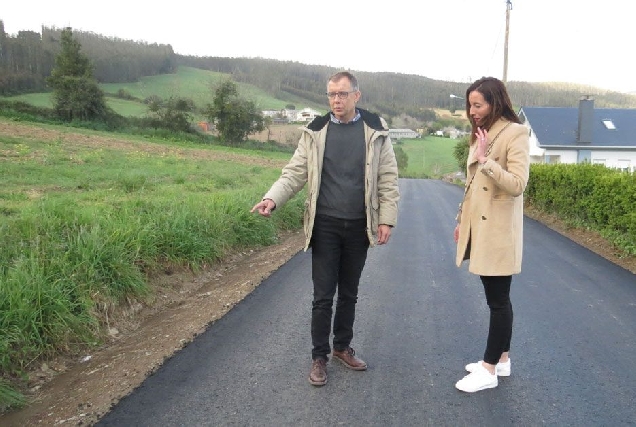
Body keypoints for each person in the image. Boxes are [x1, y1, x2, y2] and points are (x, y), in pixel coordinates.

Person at [251, 71, 399, 387]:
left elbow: (387, 179)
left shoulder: (375, 133)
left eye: (342, 94)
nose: (336, 100)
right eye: (331, 94)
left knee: (349, 293)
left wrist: (386, 218)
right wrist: (271, 199)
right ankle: (319, 357)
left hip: (360, 225)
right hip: (326, 225)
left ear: (356, 96)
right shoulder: (316, 132)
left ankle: (341, 347)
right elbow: (293, 173)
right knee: (322, 296)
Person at [453, 77, 530, 393]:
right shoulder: (483, 132)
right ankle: (503, 360)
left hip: (499, 231)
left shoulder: (516, 133)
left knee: (498, 301)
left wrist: (486, 161)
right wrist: (461, 219)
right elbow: (472, 186)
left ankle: (488, 369)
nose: (472, 111)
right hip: (480, 226)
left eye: (477, 105)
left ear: (495, 102)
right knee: (497, 297)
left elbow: (517, 185)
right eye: (470, 105)